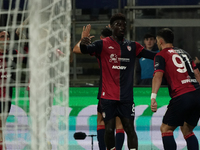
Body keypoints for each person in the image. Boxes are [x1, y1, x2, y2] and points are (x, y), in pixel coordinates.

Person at [79, 13, 156, 150]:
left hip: (126, 98)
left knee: (130, 129)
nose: (122, 27)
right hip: (108, 97)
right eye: (118, 25)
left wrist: (167, 53)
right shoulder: (102, 44)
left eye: (124, 25)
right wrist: (83, 43)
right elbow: (85, 50)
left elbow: (153, 55)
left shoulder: (132, 46)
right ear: (111, 27)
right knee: (109, 130)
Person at [73, 26, 125, 150]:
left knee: (101, 120)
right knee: (119, 124)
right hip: (123, 90)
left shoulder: (100, 47)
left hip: (106, 90)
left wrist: (83, 39)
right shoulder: (123, 46)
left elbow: (75, 49)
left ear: (101, 38)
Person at [151, 28, 200, 150]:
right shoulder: (185, 53)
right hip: (197, 94)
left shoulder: (161, 55)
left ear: (160, 41)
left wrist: (153, 97)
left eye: (157, 41)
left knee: (166, 128)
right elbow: (197, 73)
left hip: (182, 95)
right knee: (187, 130)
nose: (157, 43)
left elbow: (158, 76)